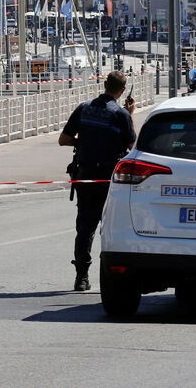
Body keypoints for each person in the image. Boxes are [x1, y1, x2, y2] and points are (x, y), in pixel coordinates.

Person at [58, 70, 135, 291]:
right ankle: (111, 275)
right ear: (122, 90)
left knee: (85, 227)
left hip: (85, 176)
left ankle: (81, 276)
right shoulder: (121, 114)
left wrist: (83, 142)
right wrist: (130, 114)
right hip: (111, 180)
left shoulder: (84, 108)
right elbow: (133, 146)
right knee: (112, 227)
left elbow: (63, 139)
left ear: (104, 84)